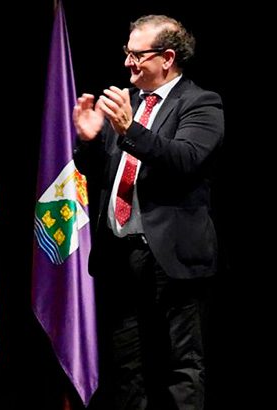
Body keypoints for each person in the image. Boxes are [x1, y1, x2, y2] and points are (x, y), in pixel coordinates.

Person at [72, 15, 224, 410]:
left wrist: (129, 131)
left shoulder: (200, 103)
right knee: (126, 368)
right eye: (127, 52)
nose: (128, 62)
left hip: (172, 258)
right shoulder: (129, 103)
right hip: (120, 254)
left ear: (167, 58)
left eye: (137, 55)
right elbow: (102, 171)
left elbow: (185, 159)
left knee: (181, 366)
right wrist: (88, 142)